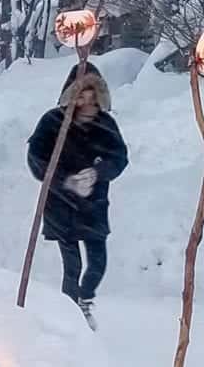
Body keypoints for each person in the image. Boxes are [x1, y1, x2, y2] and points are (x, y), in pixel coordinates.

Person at [27, 66, 128, 331]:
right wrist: (64, 180)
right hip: (62, 205)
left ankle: (84, 299)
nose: (86, 102)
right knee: (72, 265)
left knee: (98, 263)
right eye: (80, 95)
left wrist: (97, 173)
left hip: (94, 205)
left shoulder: (106, 125)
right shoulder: (52, 122)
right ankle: (70, 316)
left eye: (91, 95)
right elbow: (36, 158)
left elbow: (119, 158)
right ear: (71, 95)